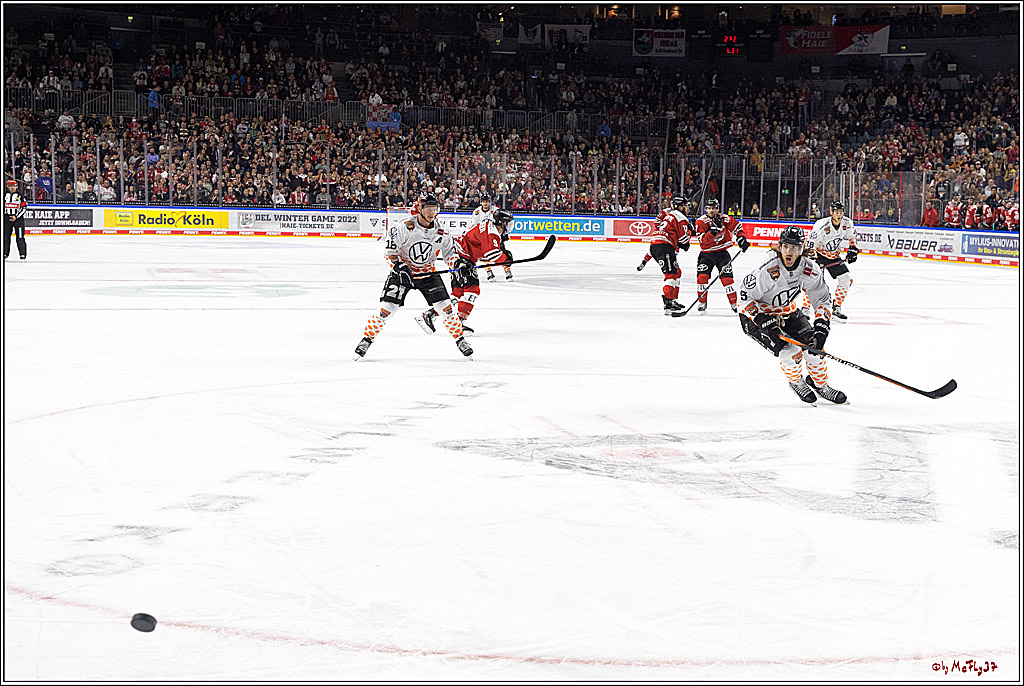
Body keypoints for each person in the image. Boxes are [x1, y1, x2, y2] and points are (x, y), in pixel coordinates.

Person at [353, 191, 473, 360]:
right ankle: (366, 339)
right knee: (386, 309)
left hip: (428, 274)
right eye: (428, 209)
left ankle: (460, 340)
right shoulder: (404, 226)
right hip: (403, 273)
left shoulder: (441, 230)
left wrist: (458, 264)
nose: (432, 213)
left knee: (446, 309)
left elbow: (449, 253)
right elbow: (389, 251)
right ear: (419, 208)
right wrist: (398, 266)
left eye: (434, 209)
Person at [738, 226, 847, 405]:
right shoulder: (767, 268)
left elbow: (822, 300)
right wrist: (761, 319)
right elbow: (743, 298)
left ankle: (821, 385)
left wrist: (822, 325)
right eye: (786, 246)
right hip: (756, 317)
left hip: (786, 311)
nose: (790, 251)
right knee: (790, 352)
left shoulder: (809, 269)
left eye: (795, 247)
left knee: (815, 348)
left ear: (802, 249)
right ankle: (797, 382)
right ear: (780, 246)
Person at [417, 208, 513, 337]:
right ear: (503, 222)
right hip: (463, 259)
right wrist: (506, 259)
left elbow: (484, 251)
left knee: (458, 292)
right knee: (473, 289)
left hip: (457, 255)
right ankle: (459, 323)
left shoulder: (487, 226)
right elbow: (492, 254)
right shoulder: (492, 233)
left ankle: (430, 314)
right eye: (508, 223)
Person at [690, 198, 749, 313]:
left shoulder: (724, 219)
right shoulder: (701, 222)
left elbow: (737, 227)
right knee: (702, 278)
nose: (711, 211)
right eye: (709, 208)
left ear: (717, 209)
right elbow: (703, 241)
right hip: (706, 255)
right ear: (706, 209)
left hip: (722, 254)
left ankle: (734, 304)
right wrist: (712, 232)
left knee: (727, 280)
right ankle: (702, 302)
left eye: (714, 208)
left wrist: (741, 238)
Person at [637, 195, 692, 316]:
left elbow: (675, 236)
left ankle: (673, 300)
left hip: (657, 245)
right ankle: (668, 304)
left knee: (676, 272)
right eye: (686, 206)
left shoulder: (670, 216)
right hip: (664, 246)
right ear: (680, 207)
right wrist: (689, 231)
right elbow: (684, 240)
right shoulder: (680, 217)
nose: (688, 208)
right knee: (671, 274)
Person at [807, 201, 858, 320]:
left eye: (841, 212)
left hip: (834, 256)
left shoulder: (847, 223)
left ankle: (836, 307)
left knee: (846, 279)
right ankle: (805, 309)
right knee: (813, 281)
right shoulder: (821, 225)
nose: (839, 215)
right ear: (831, 212)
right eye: (836, 212)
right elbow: (810, 244)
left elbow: (852, 237)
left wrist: (853, 249)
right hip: (819, 255)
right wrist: (813, 259)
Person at [471, 194, 511, 282]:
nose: (485, 204)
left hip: (495, 235)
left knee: (502, 252)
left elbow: (502, 222)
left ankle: (507, 271)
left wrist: (504, 233)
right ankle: (489, 271)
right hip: (484, 238)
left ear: (490, 202)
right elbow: (475, 226)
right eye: (484, 202)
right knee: (486, 255)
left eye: (487, 202)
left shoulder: (495, 210)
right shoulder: (477, 212)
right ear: (481, 202)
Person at [4, 178, 28, 260]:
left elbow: (24, 208)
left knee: (20, 236)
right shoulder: (4, 195)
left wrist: (16, 216)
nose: (12, 188)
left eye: (14, 186)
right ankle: (5, 254)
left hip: (18, 219)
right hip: (6, 218)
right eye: (10, 186)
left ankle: (22, 254)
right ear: (7, 186)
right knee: (5, 237)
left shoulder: (20, 196)